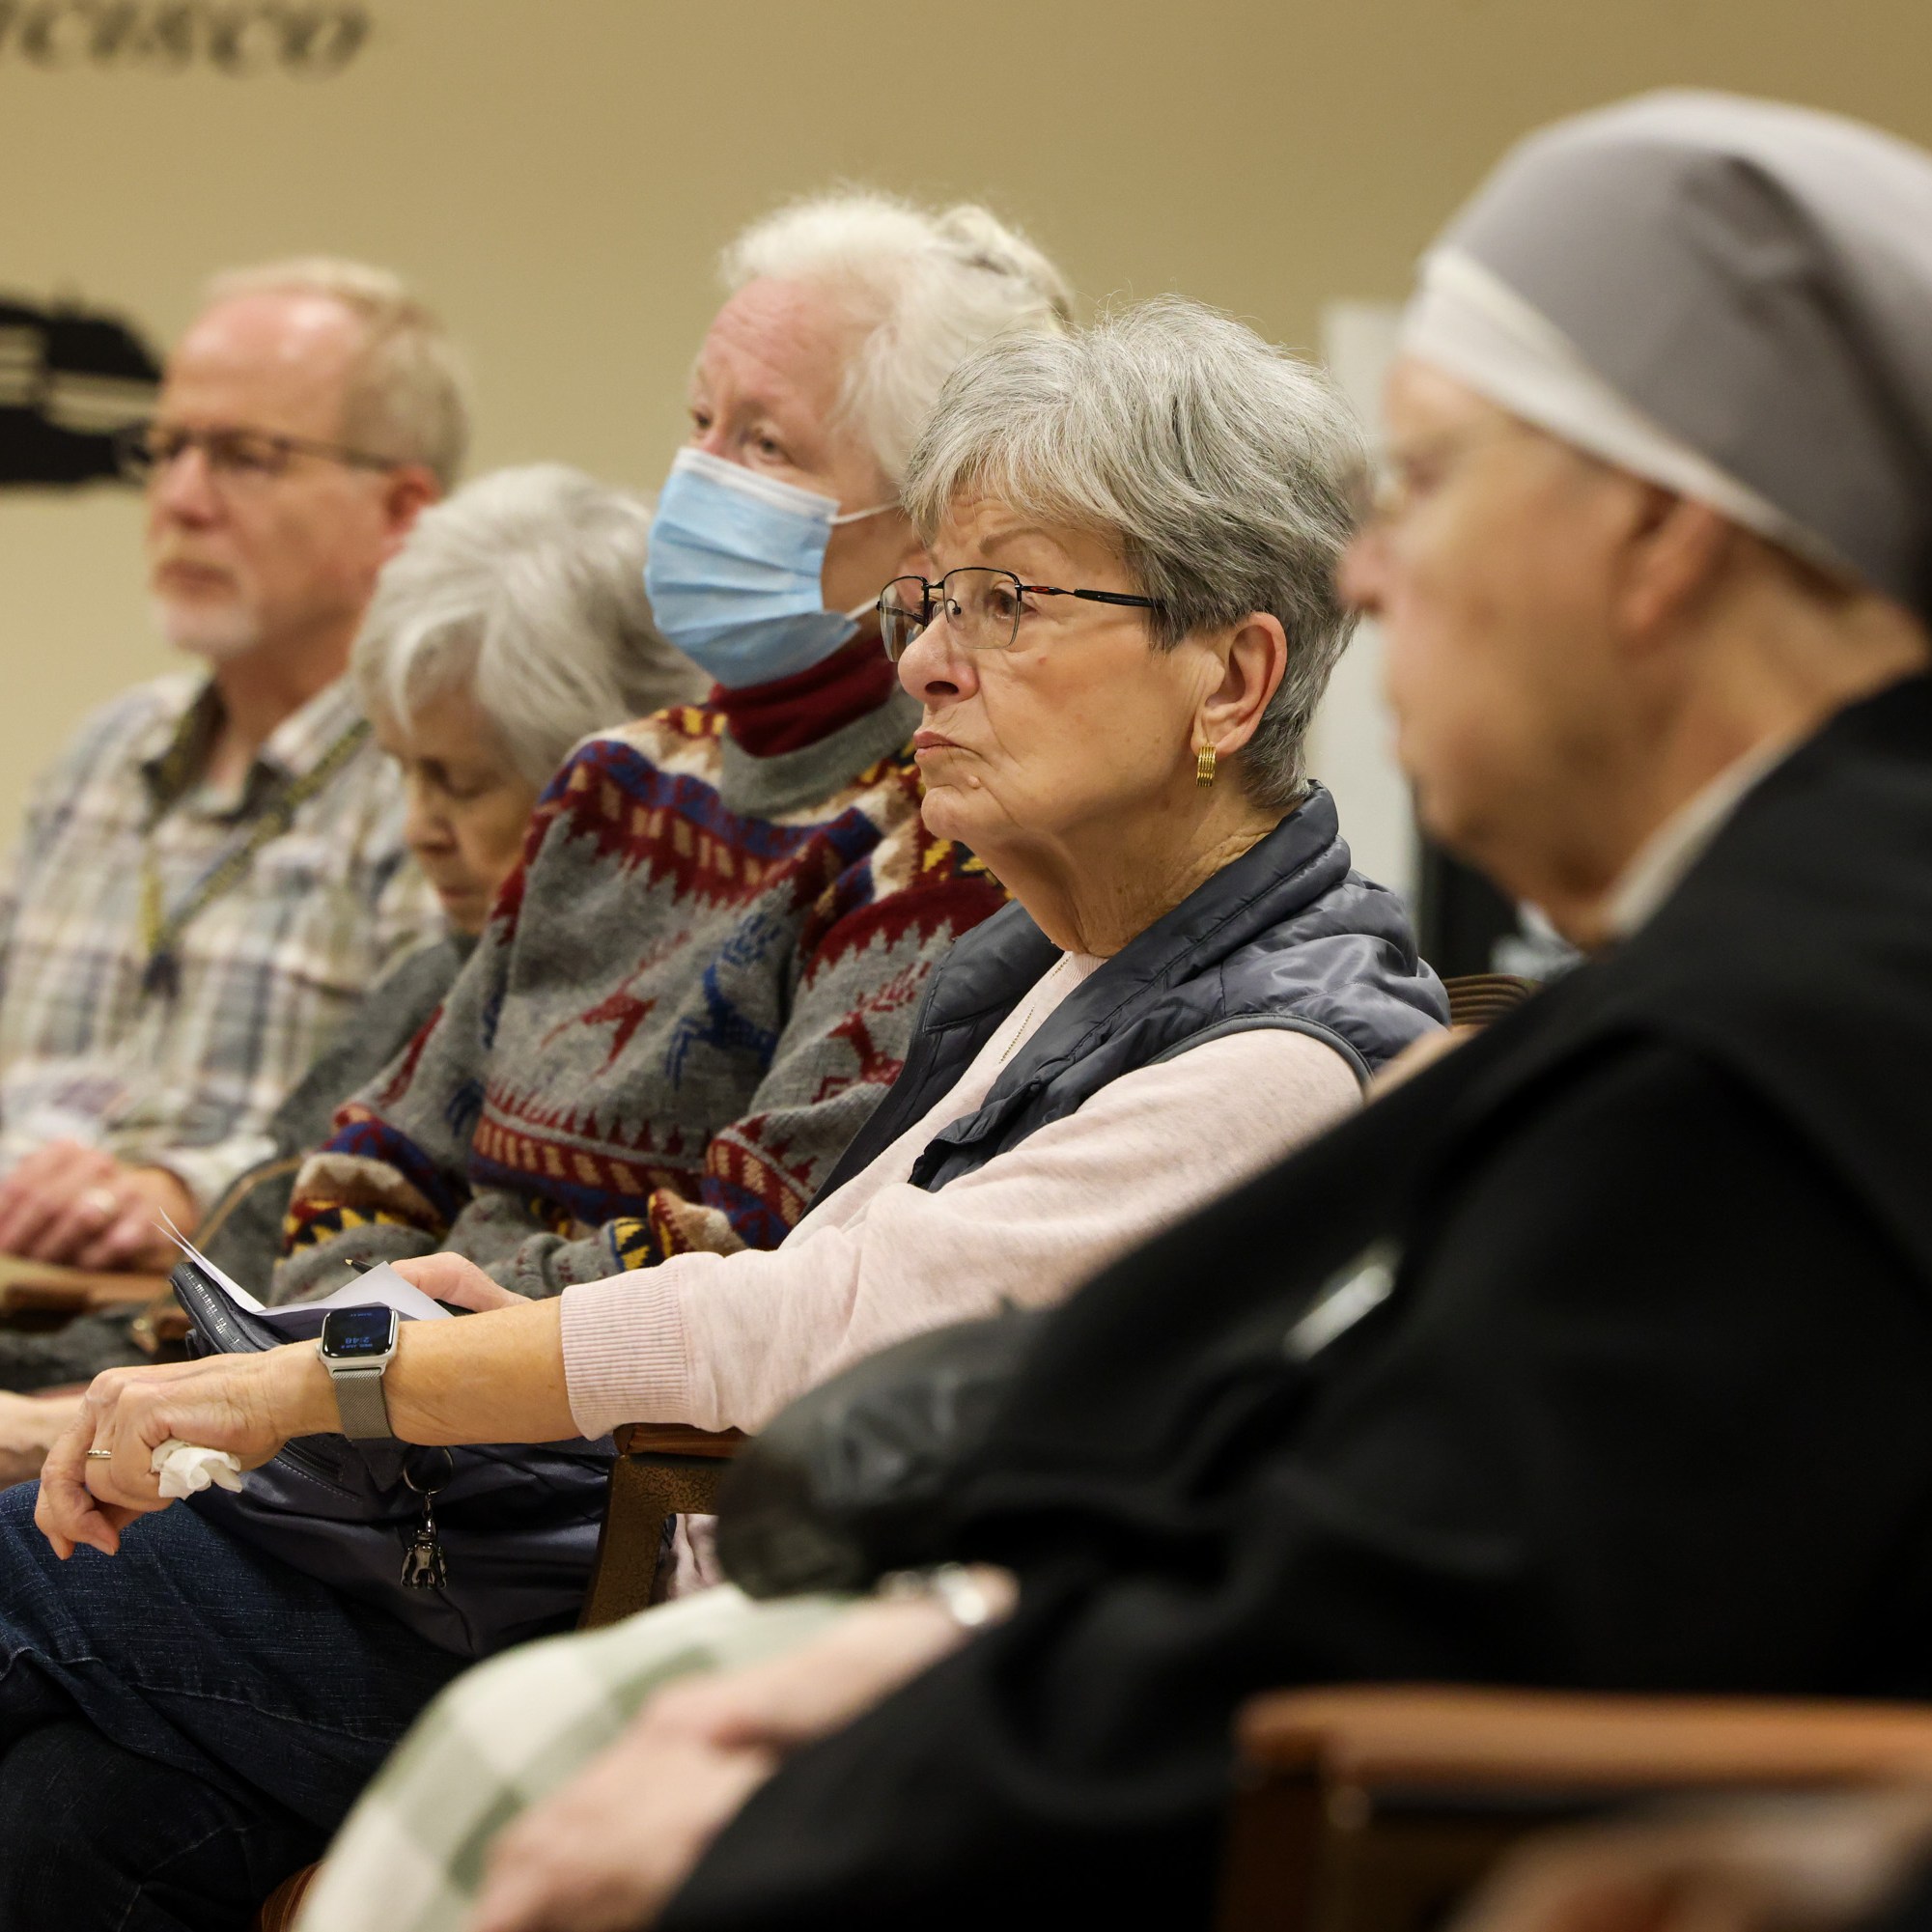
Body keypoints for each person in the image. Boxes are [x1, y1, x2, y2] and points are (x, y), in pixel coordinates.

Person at [292, 91, 1932, 1932]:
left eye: (1438, 481)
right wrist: (973, 1625)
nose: (1371, 578)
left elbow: (1366, 1624)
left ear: (1660, 540)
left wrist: (777, 1820)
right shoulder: (1754, 967)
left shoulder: (1768, 1045)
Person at [2, 294, 1447, 1931]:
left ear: (1233, 677)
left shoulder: (1280, 1057)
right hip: (650, 1581)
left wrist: (323, 1379)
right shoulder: (1059, 961)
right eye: (927, 599)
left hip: (838, 1687)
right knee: (75, 1811)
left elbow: (808, 1323)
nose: (923, 662)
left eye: (1007, 604)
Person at [267, 191, 1067, 1303]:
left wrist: (417, 1327)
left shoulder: (939, 840)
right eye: (702, 422)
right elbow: (370, 1164)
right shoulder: (616, 777)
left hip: (567, 1434)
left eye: (765, 442)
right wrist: (352, 1329)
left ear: (929, 527)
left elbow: (740, 1247)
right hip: (377, 1387)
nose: (701, 476)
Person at [0, 462, 703, 1478]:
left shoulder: (656, 1021)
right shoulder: (437, 979)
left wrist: (41, 1428)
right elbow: (224, 1306)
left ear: (605, 775)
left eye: (457, 782)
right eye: (402, 773)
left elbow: (366, 1357)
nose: (420, 829)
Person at [0, 258, 457, 1298]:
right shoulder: (104, 753)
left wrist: (173, 1186)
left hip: (195, 1321)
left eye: (246, 458)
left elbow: (422, 1124)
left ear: (402, 510)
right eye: (166, 450)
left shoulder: (437, 781)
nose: (182, 499)